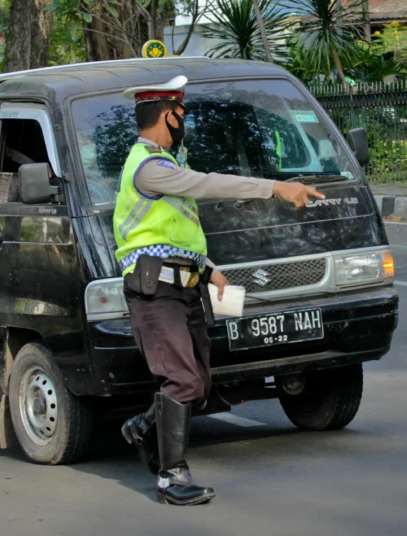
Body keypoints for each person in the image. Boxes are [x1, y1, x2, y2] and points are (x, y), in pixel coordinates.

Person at [116, 76, 325, 506]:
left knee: (200, 382)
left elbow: (175, 233)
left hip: (185, 286)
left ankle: (142, 427)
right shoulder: (149, 167)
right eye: (182, 114)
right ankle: (171, 477)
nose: (184, 121)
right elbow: (208, 184)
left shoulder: (164, 164)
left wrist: (210, 271)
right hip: (155, 292)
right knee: (182, 380)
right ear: (167, 116)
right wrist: (276, 187)